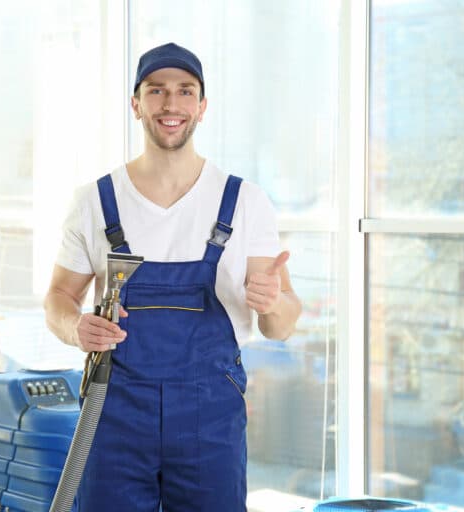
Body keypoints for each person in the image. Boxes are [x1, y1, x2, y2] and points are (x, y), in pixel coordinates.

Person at [44, 42, 302, 512]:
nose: (171, 103)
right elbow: (59, 296)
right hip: (115, 410)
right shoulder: (95, 201)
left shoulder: (243, 201)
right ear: (136, 104)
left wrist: (272, 303)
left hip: (210, 415)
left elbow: (281, 326)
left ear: (202, 107)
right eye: (156, 90)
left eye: (185, 91)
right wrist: (74, 326)